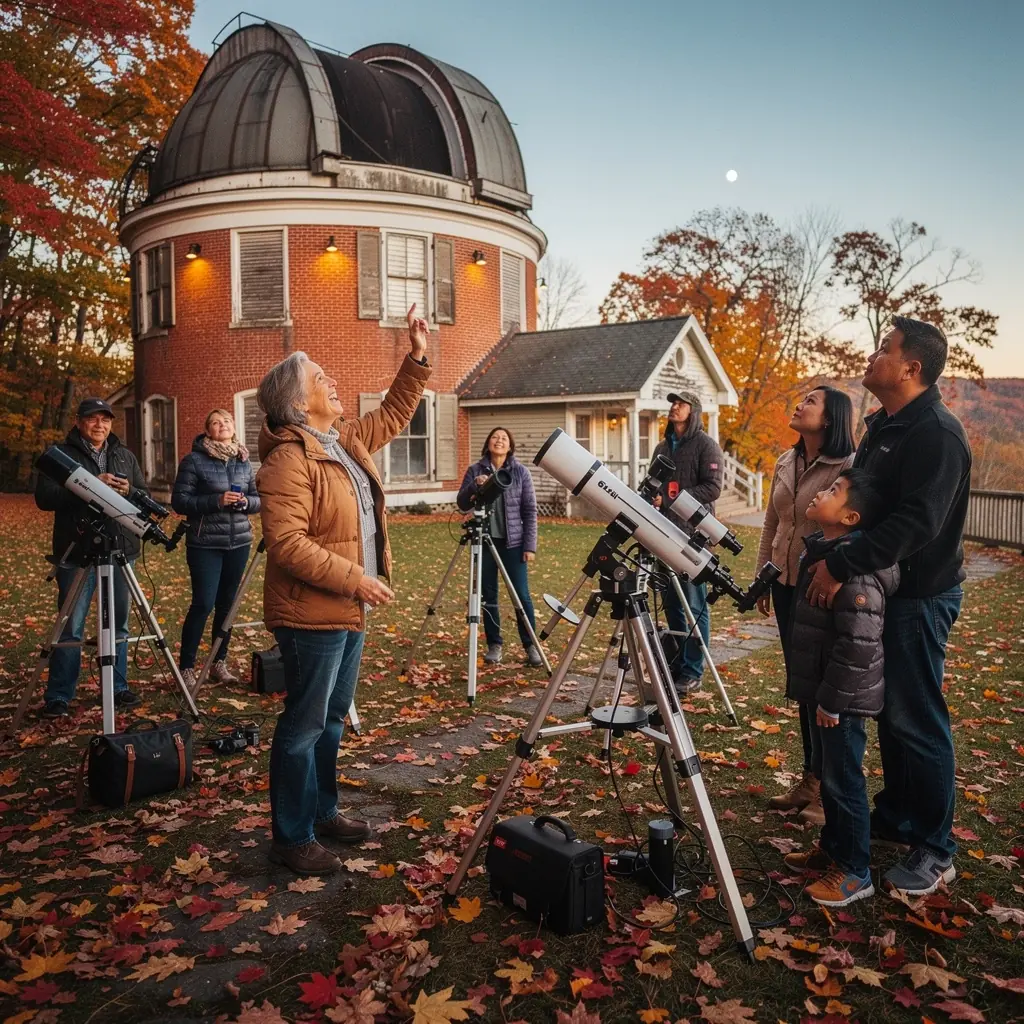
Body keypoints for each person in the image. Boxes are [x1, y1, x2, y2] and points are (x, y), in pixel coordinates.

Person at [256, 305, 430, 875]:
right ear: (299, 402)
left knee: (330, 718)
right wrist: (356, 578)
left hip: (347, 608)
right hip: (312, 612)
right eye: (320, 378)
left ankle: (323, 812)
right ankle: (292, 837)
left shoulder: (343, 440)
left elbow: (396, 414)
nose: (332, 381)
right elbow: (286, 544)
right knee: (303, 725)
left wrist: (417, 357)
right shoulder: (288, 459)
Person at [805, 316, 971, 897]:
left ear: (911, 367)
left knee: (916, 717)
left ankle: (935, 846)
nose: (873, 355)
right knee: (892, 717)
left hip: (920, 595)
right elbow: (861, 502)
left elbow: (917, 523)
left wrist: (841, 564)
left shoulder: (937, 435)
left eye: (884, 348)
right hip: (879, 590)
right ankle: (898, 818)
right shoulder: (885, 425)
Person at [780, 470, 897, 907]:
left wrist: (831, 698)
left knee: (844, 781)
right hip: (827, 694)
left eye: (833, 490)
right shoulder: (827, 553)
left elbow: (857, 646)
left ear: (849, 517)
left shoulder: (856, 575)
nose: (821, 492)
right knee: (830, 778)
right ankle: (833, 850)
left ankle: (854, 871)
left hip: (841, 700)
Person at [756, 386, 855, 824]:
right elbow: (772, 523)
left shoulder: (849, 466)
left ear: (831, 418)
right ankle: (809, 779)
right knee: (801, 684)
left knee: (823, 688)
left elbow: (853, 530)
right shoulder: (785, 460)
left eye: (810, 401)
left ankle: (826, 789)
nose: (799, 404)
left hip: (820, 587)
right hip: (784, 583)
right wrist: (764, 575)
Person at [34, 398, 145, 718]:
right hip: (78, 552)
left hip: (120, 549)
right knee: (70, 626)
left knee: (118, 625)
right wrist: (89, 487)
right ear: (79, 421)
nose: (100, 425)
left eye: (105, 420)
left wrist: (128, 491)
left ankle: (118, 687)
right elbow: (44, 497)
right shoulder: (61, 454)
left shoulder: (124, 455)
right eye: (93, 419)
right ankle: (59, 694)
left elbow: (142, 492)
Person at [171, 409, 261, 688]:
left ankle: (218, 663)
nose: (222, 425)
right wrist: (216, 501)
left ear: (234, 427)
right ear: (207, 430)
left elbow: (259, 499)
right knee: (203, 603)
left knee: (227, 606)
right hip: (205, 543)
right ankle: (186, 666)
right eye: (215, 423)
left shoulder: (244, 461)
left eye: (226, 421)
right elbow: (180, 502)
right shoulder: (194, 461)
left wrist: (246, 503)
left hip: (239, 542)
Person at [650, 390, 723, 695]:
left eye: (680, 403)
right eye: (672, 403)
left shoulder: (707, 446)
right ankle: (678, 663)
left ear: (694, 411)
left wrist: (669, 498)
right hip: (661, 533)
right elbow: (652, 481)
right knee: (671, 603)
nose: (674, 407)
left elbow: (713, 488)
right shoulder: (662, 447)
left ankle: (694, 670)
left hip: (693, 535)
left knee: (694, 605)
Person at [457, 427, 541, 668]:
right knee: (488, 596)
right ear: (488, 442)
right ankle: (495, 644)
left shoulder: (521, 472)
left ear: (510, 445)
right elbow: (462, 504)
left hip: (513, 544)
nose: (499, 441)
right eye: (495, 437)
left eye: (504, 438)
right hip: (484, 541)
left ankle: (531, 644)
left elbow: (529, 511)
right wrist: (475, 485)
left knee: (521, 596)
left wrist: (530, 546)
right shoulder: (475, 470)